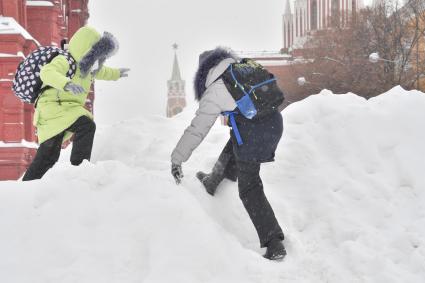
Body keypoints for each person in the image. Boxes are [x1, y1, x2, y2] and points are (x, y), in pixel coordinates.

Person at [171, 47, 286, 260]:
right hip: (274, 122)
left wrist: (177, 159)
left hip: (255, 131)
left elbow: (198, 129)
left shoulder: (215, 89)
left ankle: (274, 243)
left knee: (249, 187)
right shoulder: (242, 67)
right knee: (237, 139)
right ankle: (213, 180)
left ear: (203, 72)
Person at [22, 26, 129, 181]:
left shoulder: (87, 68)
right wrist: (65, 83)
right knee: (86, 125)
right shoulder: (65, 60)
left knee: (49, 156)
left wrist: (117, 73)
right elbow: (47, 73)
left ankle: (25, 187)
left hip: (64, 110)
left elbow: (103, 72)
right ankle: (79, 171)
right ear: (86, 50)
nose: (98, 60)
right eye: (96, 55)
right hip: (52, 107)